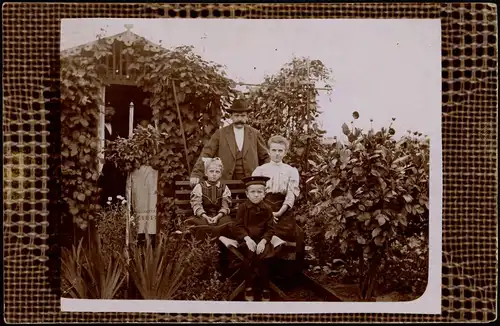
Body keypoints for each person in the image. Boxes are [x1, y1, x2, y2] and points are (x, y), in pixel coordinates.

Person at [251, 135, 305, 270]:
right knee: (263, 231)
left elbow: (291, 195)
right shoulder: (260, 170)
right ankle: (264, 270)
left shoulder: (290, 171)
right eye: (274, 150)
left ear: (285, 152)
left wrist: (280, 212)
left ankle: (285, 273)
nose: (276, 154)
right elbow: (256, 194)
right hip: (263, 207)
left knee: (295, 233)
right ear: (269, 151)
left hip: (283, 209)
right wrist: (268, 212)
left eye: (280, 151)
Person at [189, 98, 270, 187]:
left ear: (247, 116)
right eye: (236, 115)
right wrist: (196, 174)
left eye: (242, 116)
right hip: (226, 183)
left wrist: (266, 175)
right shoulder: (220, 134)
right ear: (231, 116)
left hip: (250, 183)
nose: (239, 119)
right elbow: (206, 154)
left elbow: (266, 157)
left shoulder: (255, 134)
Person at [231, 176, 275, 302]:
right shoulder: (242, 208)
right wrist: (247, 239)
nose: (256, 195)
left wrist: (263, 241)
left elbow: (270, 229)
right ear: (247, 194)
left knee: (265, 257)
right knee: (249, 256)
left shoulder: (267, 209)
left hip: (262, 240)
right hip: (246, 240)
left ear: (264, 194)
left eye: (259, 192)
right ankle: (248, 286)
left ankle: (265, 288)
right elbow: (238, 226)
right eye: (253, 192)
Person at [186, 157, 233, 240]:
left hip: (219, 215)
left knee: (226, 223)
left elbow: (225, 206)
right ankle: (203, 249)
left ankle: (221, 248)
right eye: (211, 171)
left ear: (220, 174)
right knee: (202, 225)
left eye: (217, 172)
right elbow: (197, 204)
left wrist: (218, 216)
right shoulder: (199, 187)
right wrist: (205, 216)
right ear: (206, 173)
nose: (214, 174)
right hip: (203, 215)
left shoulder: (224, 188)